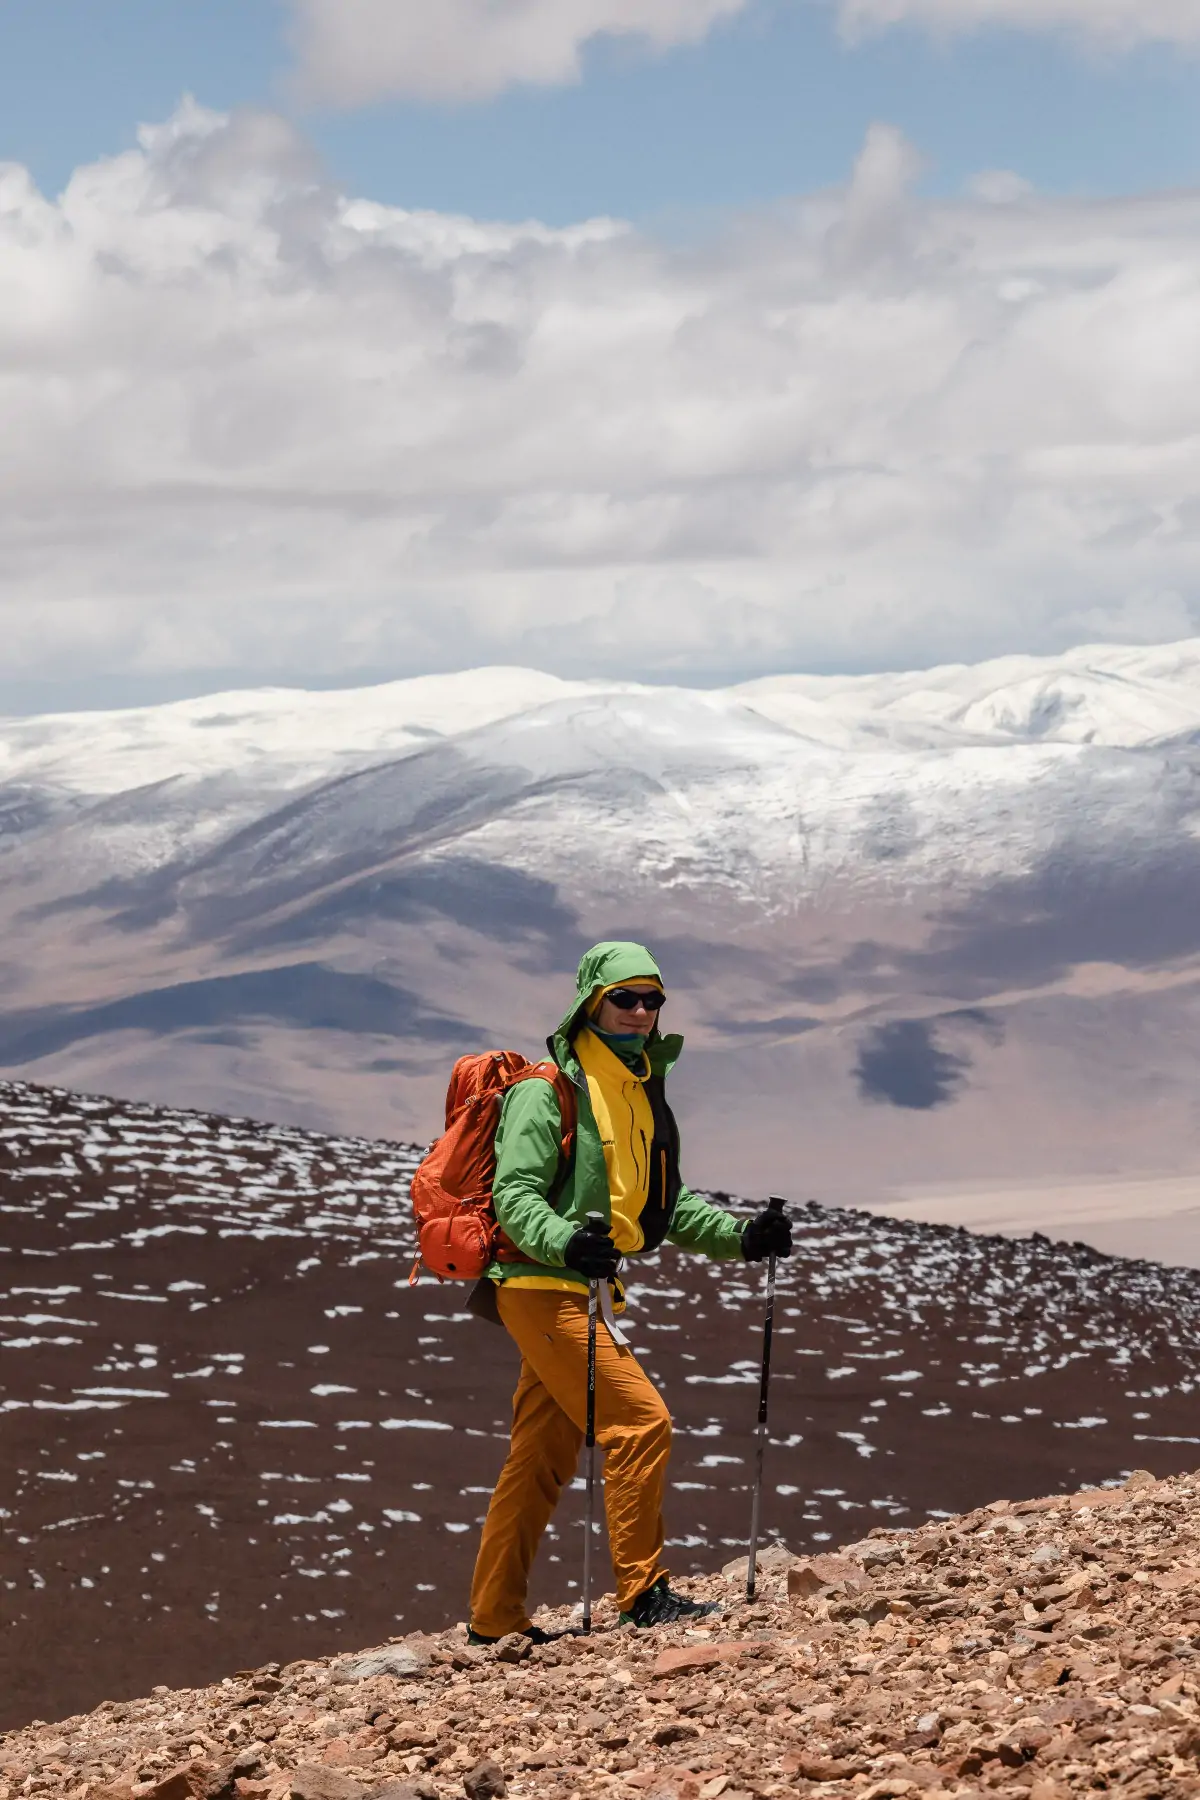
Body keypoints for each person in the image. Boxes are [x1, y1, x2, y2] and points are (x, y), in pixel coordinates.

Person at [467, 940, 793, 1642]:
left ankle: (494, 1618)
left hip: (584, 1290)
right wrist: (565, 1241)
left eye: (653, 1000)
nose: (641, 1012)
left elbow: (661, 1207)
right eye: (626, 997)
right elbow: (514, 1196)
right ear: (591, 999)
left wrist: (742, 1236)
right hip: (540, 1286)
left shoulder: (639, 1087)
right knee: (641, 1421)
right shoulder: (546, 1090)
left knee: (540, 1457)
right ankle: (642, 1594)